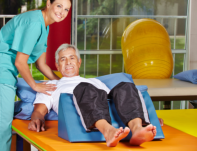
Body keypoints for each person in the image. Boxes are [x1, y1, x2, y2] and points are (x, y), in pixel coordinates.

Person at [0, 0, 71, 151]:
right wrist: (35, 86)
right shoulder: (34, 22)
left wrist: (61, 81)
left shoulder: (45, 26)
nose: (62, 12)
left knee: (0, 128)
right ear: (48, 3)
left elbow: (41, 65)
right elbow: (20, 62)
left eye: (66, 9)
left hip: (4, 72)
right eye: (59, 6)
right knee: (1, 131)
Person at [28, 44, 157, 147]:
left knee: (126, 85)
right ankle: (108, 131)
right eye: (63, 59)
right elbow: (39, 111)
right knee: (85, 88)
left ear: (79, 62)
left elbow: (112, 101)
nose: (68, 62)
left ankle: (137, 129)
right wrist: (36, 119)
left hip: (103, 108)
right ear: (57, 65)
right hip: (83, 114)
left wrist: (151, 117)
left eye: (72, 58)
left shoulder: (94, 82)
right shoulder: (51, 85)